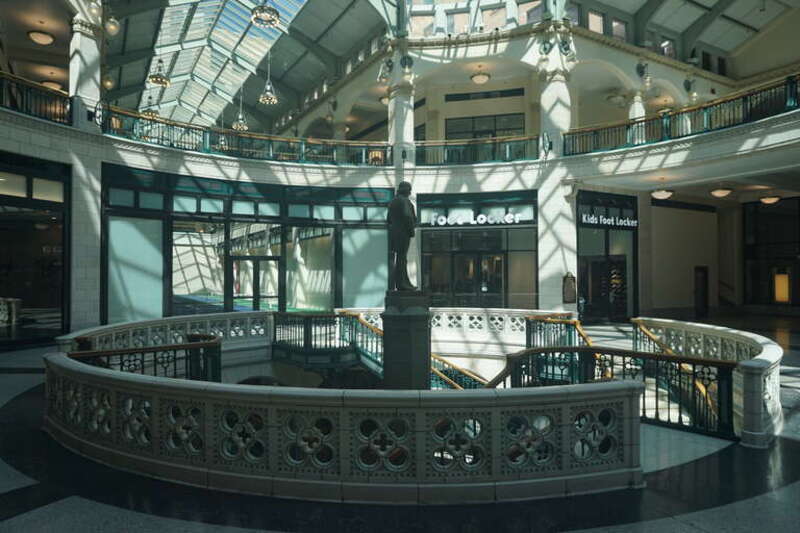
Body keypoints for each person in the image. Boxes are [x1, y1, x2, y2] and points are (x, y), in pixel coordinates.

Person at [387, 181, 417, 291]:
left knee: (400, 258)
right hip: (403, 233)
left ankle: (401, 283)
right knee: (402, 258)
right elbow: (408, 216)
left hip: (394, 233)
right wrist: (411, 230)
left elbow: (388, 219)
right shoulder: (404, 201)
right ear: (405, 190)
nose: (410, 192)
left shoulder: (393, 201)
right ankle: (403, 283)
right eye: (409, 189)